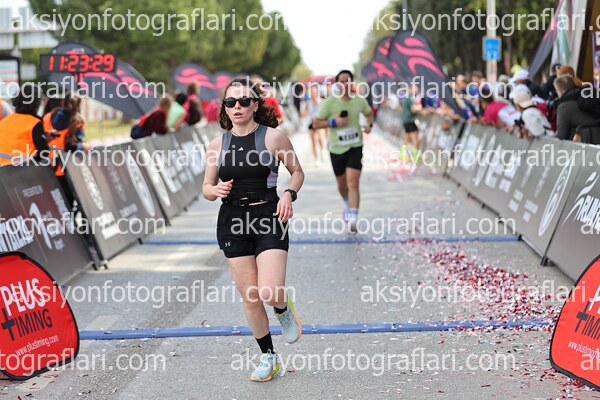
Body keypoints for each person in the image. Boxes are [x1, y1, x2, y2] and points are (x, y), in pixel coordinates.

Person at [202, 77, 304, 382]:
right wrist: (214, 190)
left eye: (244, 101)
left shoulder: (274, 138)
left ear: (255, 105)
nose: (237, 107)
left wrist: (288, 194)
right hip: (232, 220)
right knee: (250, 296)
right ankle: (268, 357)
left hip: (268, 216)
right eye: (230, 102)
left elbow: (297, 172)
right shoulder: (216, 145)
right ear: (224, 108)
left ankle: (283, 309)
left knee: (269, 290)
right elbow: (206, 188)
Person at [313, 70, 374, 234]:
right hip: (336, 148)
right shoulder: (329, 102)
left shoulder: (359, 100)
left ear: (352, 83)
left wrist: (369, 125)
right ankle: (347, 203)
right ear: (337, 84)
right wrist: (334, 122)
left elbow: (369, 114)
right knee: (342, 185)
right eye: (342, 81)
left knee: (353, 182)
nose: (345, 84)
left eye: (348, 81)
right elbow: (316, 123)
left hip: (355, 146)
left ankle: (353, 218)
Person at [0, 84, 49, 166]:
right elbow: (44, 153)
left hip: (3, 172)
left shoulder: (3, 122)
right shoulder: (35, 123)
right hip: (25, 171)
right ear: (37, 103)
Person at [554, 74, 600, 144]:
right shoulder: (585, 96)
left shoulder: (564, 106)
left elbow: (561, 135)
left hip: (586, 144)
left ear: (560, 91)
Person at [303, 84, 327, 165]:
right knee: (313, 141)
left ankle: (323, 149)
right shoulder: (308, 103)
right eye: (312, 92)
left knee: (320, 137)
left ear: (317, 92)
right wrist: (308, 112)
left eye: (314, 92)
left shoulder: (322, 101)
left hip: (319, 122)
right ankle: (316, 159)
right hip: (311, 122)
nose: (313, 94)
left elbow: (326, 112)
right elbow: (303, 113)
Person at [400, 82, 422, 154]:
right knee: (415, 138)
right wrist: (419, 107)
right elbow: (413, 109)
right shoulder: (410, 99)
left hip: (406, 120)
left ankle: (403, 153)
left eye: (416, 89)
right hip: (410, 120)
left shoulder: (407, 98)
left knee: (407, 137)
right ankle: (415, 155)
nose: (416, 90)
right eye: (414, 89)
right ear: (410, 89)